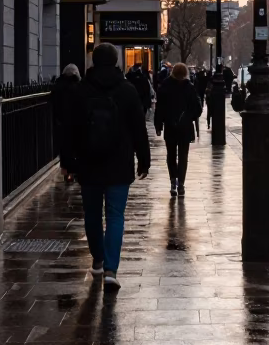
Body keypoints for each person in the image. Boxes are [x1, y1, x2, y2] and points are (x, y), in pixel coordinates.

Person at [62, 42, 150, 293]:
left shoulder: (80, 91)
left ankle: (98, 260)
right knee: (115, 216)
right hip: (119, 163)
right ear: (115, 62)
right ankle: (111, 269)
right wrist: (144, 159)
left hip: (88, 163)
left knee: (91, 215)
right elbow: (138, 129)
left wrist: (68, 162)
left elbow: (69, 129)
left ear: (93, 62)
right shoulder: (127, 90)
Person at [154, 62, 203, 197]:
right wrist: (189, 117)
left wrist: (158, 126)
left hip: (170, 126)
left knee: (171, 154)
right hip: (185, 127)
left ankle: (173, 181)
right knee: (183, 156)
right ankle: (181, 183)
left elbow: (160, 109)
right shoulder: (189, 88)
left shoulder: (165, 86)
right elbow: (197, 108)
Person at [51, 64, 80, 181]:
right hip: (75, 122)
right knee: (75, 147)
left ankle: (65, 170)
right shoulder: (78, 86)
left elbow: (53, 103)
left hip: (62, 122)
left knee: (64, 147)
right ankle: (74, 170)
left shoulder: (58, 85)